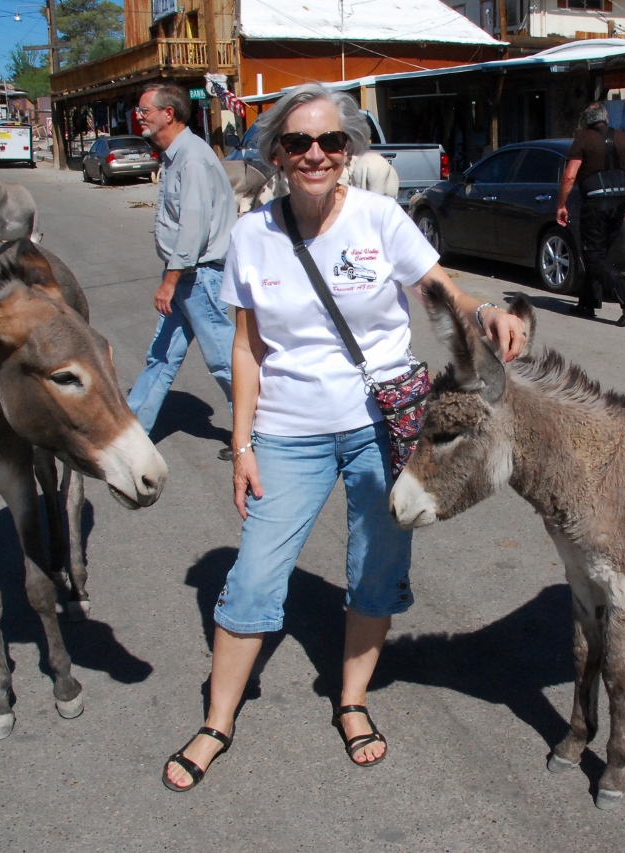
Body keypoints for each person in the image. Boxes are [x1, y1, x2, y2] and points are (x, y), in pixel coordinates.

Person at [160, 83, 528, 793]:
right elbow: (246, 350)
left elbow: (437, 289)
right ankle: (217, 720)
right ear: (276, 154)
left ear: (351, 150)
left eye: (333, 142)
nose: (317, 155)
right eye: (299, 143)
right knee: (255, 576)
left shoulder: (380, 219)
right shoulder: (251, 236)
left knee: (374, 567)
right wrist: (240, 445)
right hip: (287, 432)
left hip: (378, 427)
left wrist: (484, 311)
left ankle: (352, 701)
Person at [124, 82, 238, 455]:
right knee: (162, 355)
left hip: (197, 277)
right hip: (185, 276)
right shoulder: (177, 155)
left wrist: (170, 281)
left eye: (145, 110)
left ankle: (258, 438)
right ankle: (128, 434)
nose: (139, 116)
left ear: (168, 114)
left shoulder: (191, 158)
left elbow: (193, 226)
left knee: (224, 362)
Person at [556, 102, 625, 327]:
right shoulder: (623, 138)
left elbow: (569, 176)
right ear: (605, 117)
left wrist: (561, 204)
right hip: (618, 202)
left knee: (593, 255)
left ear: (587, 119)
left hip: (595, 203)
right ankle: (588, 303)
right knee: (599, 254)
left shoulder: (584, 139)